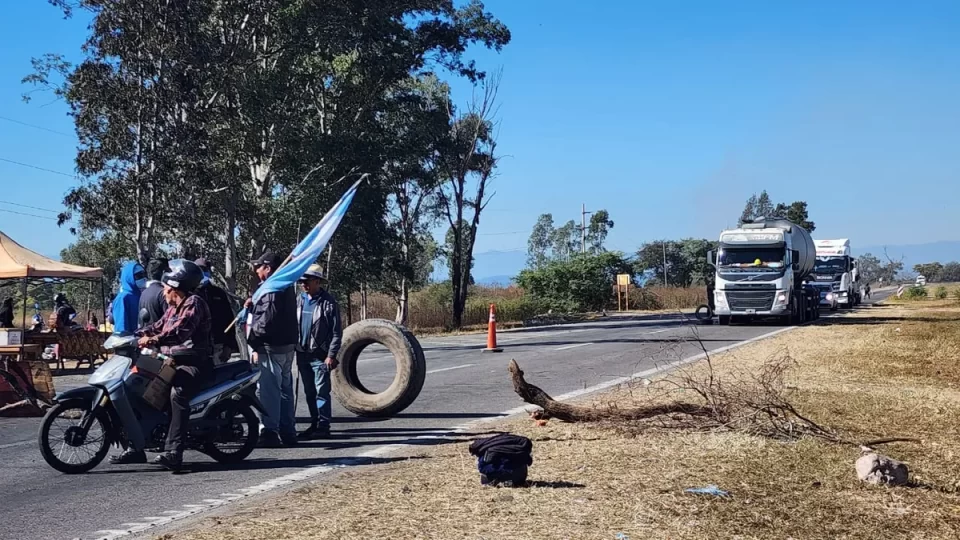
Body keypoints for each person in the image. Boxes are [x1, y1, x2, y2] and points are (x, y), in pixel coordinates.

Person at [111, 260, 213, 471]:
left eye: (166, 289)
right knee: (137, 386)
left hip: (192, 362)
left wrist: (154, 340)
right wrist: (133, 337)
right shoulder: (173, 308)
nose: (164, 293)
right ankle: (135, 446)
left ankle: (174, 452)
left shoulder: (194, 303)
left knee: (178, 394)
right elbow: (156, 326)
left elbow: (179, 332)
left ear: (176, 288)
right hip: (170, 360)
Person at [246, 251, 299, 448]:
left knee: (270, 391)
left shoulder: (272, 288)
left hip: (271, 346)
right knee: (285, 390)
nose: (256, 270)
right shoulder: (286, 286)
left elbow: (266, 321)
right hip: (287, 346)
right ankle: (288, 430)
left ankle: (270, 431)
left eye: (259, 267)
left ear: (268, 268)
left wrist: (253, 341)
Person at [295, 264, 342, 440]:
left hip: (320, 356)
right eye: (302, 281)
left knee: (322, 390)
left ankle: (324, 425)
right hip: (302, 353)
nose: (303, 284)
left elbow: (337, 332)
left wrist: (331, 355)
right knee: (309, 391)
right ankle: (314, 423)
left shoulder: (329, 303)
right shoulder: (299, 300)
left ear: (317, 281)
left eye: (307, 281)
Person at [194, 258, 237, 365]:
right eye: (199, 269)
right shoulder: (189, 293)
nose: (202, 273)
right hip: (197, 348)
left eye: (205, 269)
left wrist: (229, 346)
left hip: (219, 346)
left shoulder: (218, 293)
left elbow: (229, 319)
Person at [112, 261, 147, 335]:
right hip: (129, 342)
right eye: (139, 275)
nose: (143, 278)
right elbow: (121, 328)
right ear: (129, 277)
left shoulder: (141, 295)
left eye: (144, 274)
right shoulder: (122, 298)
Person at [138, 258, 170, 329]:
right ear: (164, 272)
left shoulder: (143, 293)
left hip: (145, 336)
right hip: (159, 337)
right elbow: (169, 320)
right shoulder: (163, 293)